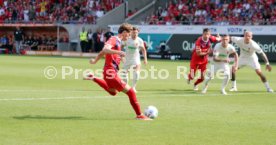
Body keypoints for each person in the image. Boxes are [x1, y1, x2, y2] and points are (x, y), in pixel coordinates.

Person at [84, 23, 151, 120]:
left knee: (113, 92)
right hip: (110, 72)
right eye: (128, 35)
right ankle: (140, 115)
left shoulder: (118, 42)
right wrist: (118, 52)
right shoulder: (114, 39)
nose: (128, 37)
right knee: (131, 92)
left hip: (108, 72)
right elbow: (105, 49)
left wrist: (95, 61)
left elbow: (103, 52)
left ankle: (93, 78)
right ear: (124, 32)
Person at [121, 27, 148, 92]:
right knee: (124, 74)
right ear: (131, 33)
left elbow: (143, 50)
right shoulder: (127, 40)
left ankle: (133, 87)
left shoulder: (140, 40)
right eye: (133, 32)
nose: (135, 34)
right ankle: (126, 87)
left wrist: (145, 59)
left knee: (136, 73)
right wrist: (121, 57)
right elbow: (120, 48)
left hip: (136, 59)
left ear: (138, 33)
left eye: (136, 33)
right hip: (127, 59)